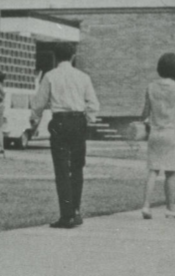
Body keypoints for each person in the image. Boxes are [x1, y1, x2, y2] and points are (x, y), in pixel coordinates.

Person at [30, 43, 100, 229]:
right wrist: (89, 120)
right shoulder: (83, 77)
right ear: (73, 56)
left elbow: (39, 103)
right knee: (77, 167)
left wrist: (34, 118)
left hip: (60, 122)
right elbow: (93, 103)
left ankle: (66, 214)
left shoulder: (50, 76)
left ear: (55, 56)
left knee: (61, 169)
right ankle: (75, 211)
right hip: (78, 121)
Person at [140, 53, 175, 220]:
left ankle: (146, 205)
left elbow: (145, 112)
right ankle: (170, 208)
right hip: (172, 132)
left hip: (155, 132)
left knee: (153, 170)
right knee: (170, 173)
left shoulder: (151, 87)